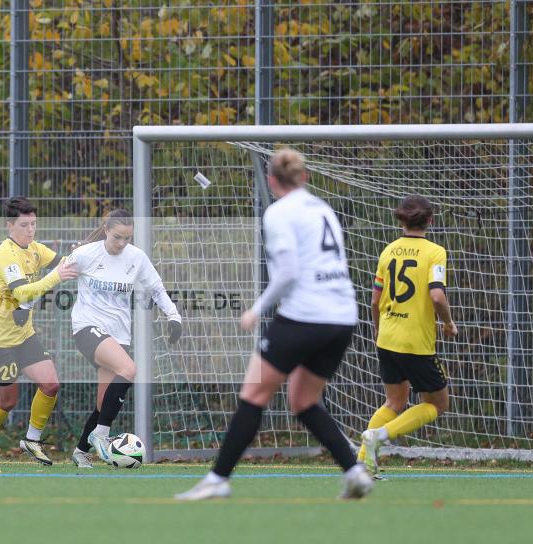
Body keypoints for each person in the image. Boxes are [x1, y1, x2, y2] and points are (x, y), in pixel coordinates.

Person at [176, 149, 373, 501]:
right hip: (342, 316)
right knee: (304, 400)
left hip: (306, 315)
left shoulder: (280, 212)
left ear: (271, 181)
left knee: (254, 394)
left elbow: (288, 272)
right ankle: (354, 471)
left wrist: (256, 309)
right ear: (304, 177)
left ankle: (218, 478)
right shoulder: (322, 208)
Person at [65, 209, 182, 468]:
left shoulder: (136, 257)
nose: (121, 243)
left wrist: (174, 316)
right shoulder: (86, 254)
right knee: (129, 369)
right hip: (87, 328)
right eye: (116, 237)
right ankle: (101, 436)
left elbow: (157, 289)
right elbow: (55, 273)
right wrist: (24, 305)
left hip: (118, 335)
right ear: (106, 230)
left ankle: (81, 450)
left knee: (103, 404)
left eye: (127, 238)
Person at [0, 197, 77, 467]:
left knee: (51, 384)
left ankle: (32, 439)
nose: (30, 230)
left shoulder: (35, 249)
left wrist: (79, 256)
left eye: (33, 224)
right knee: (8, 401)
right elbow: (22, 293)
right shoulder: (6, 254)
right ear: (10, 226)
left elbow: (64, 262)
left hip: (23, 335)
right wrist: (56, 276)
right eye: (24, 225)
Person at [359, 195, 456, 477]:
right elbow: (437, 296)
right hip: (415, 342)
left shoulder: (388, 251)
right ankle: (378, 436)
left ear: (401, 219)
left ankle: (362, 464)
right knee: (437, 403)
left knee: (394, 402)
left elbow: (375, 301)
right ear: (430, 220)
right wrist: (448, 323)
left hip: (387, 337)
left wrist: (378, 328)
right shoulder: (435, 252)